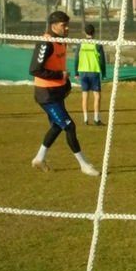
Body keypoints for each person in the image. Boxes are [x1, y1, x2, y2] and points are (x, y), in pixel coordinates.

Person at [29, 11, 99, 176]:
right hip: (45, 94)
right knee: (69, 126)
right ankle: (84, 165)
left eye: (68, 25)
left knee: (57, 126)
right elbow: (34, 69)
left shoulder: (62, 42)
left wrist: (65, 83)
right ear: (53, 26)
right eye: (63, 25)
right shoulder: (46, 43)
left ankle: (39, 158)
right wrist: (59, 76)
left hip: (56, 92)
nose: (67, 28)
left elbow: (59, 66)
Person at [73, 24, 107, 126]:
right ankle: (96, 119)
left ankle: (85, 119)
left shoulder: (81, 44)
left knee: (85, 95)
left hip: (83, 72)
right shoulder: (97, 44)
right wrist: (104, 73)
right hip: (94, 71)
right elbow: (102, 60)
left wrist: (76, 72)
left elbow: (76, 59)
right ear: (94, 32)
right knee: (97, 96)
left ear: (85, 32)